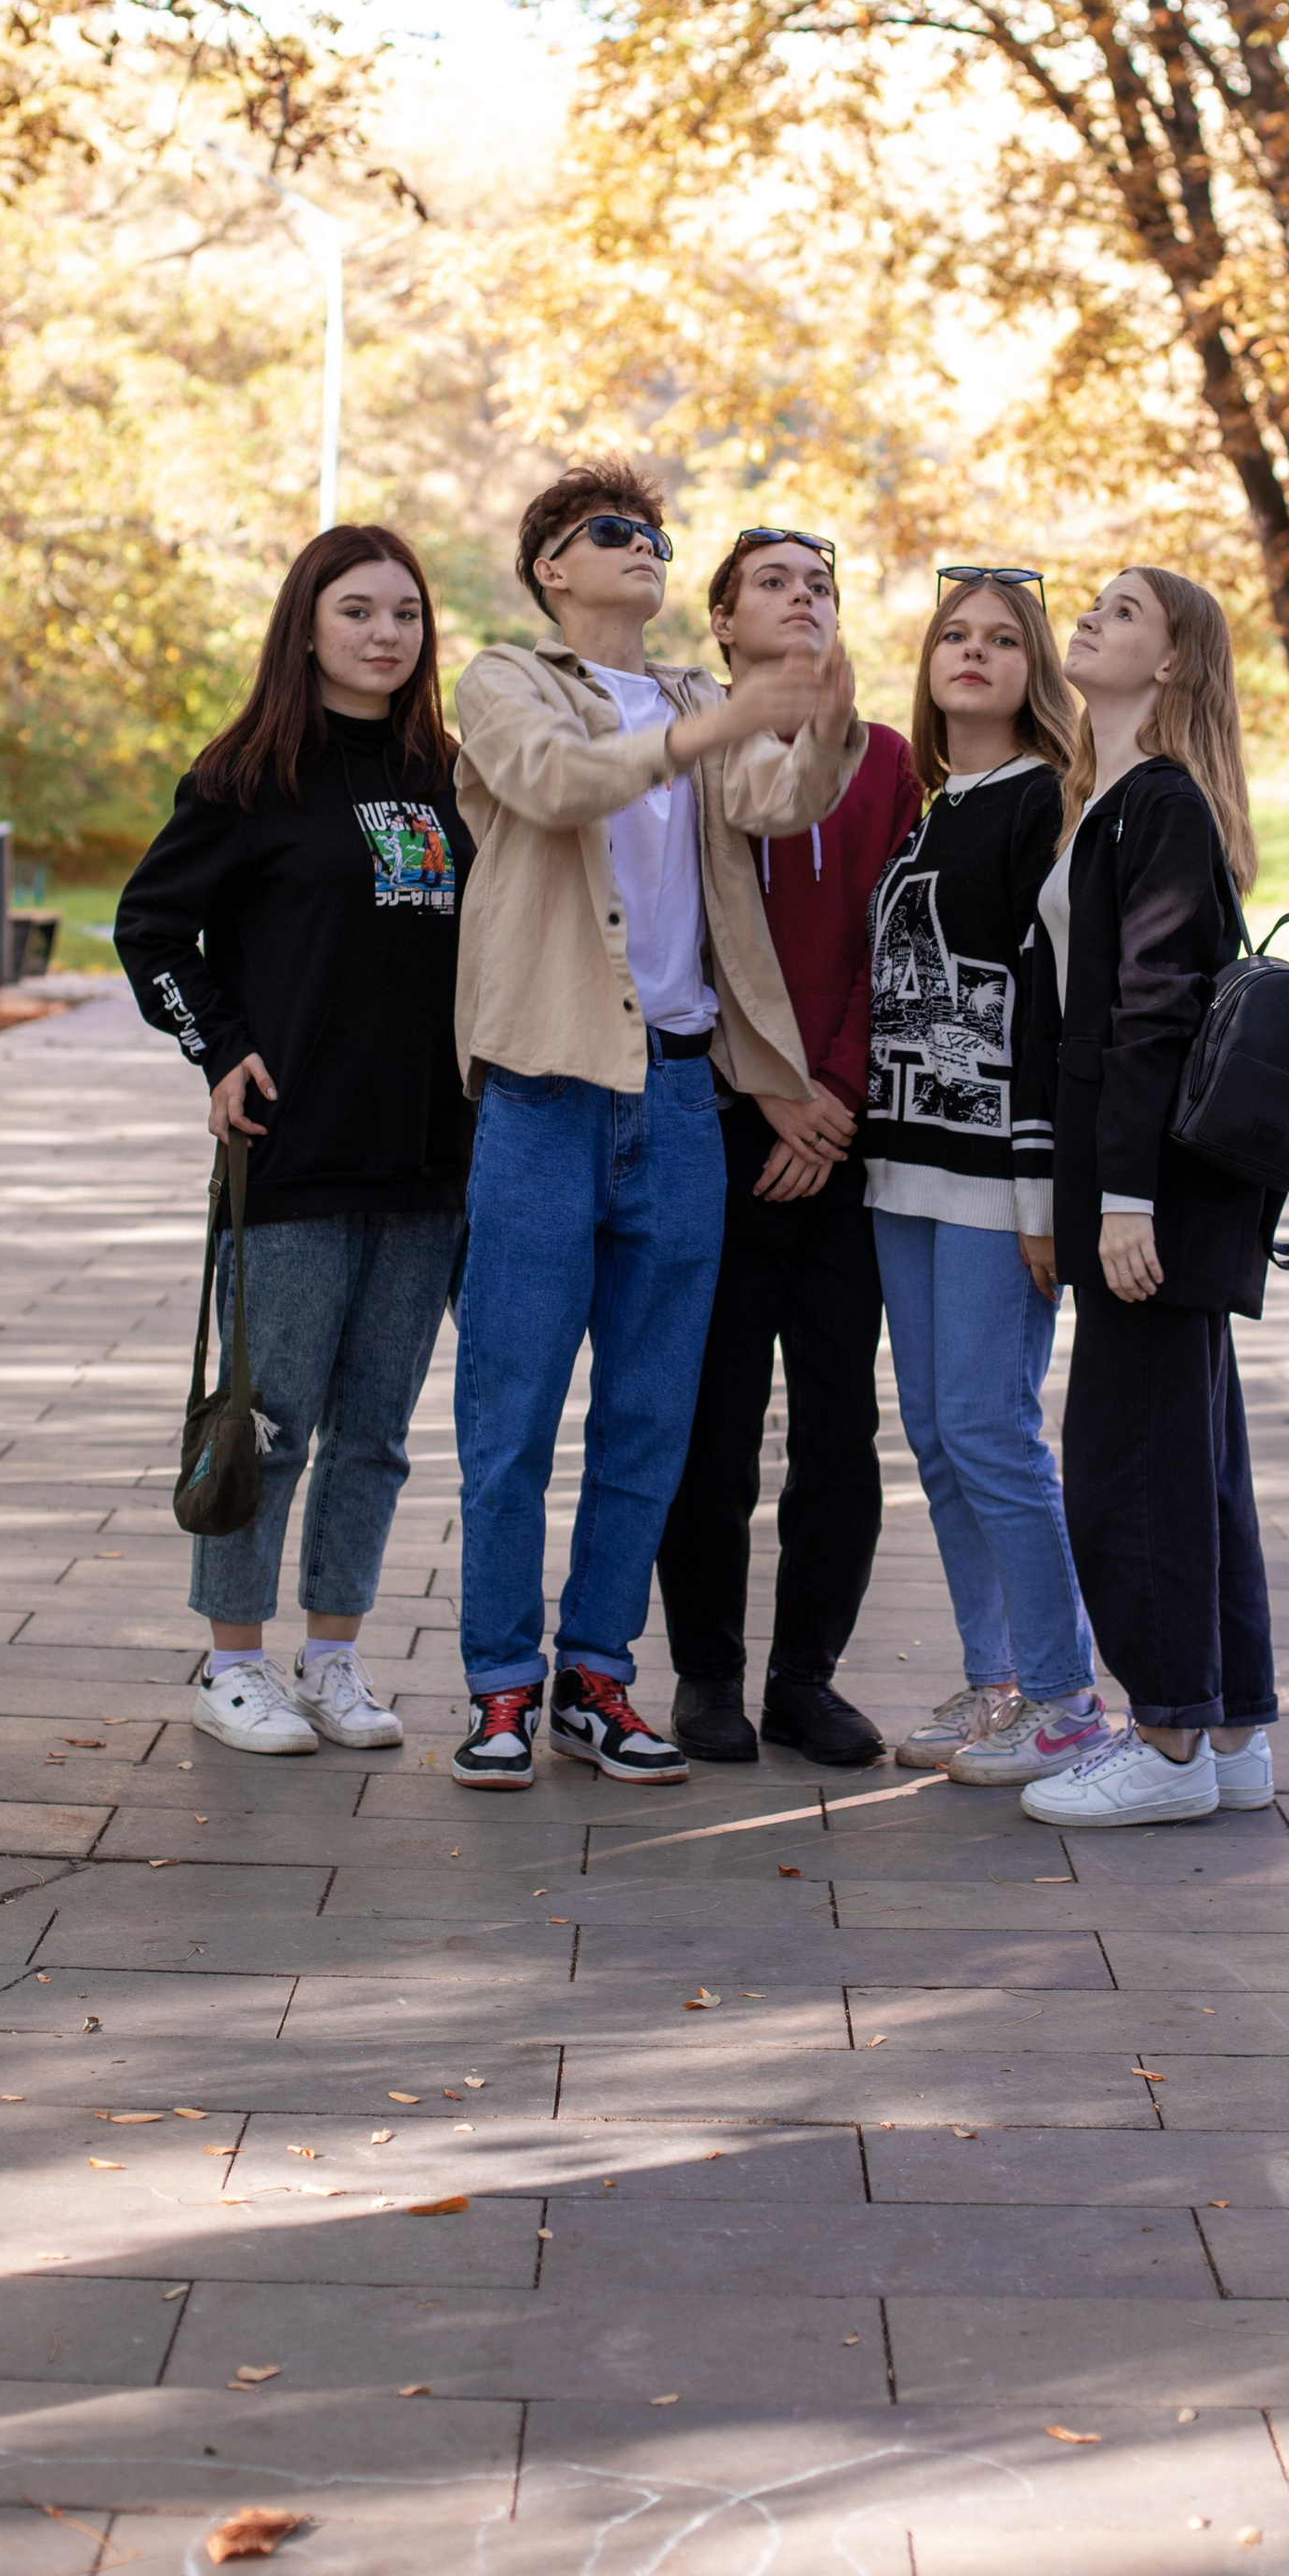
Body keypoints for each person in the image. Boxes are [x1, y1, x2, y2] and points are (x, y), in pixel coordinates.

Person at [448, 461, 863, 1794]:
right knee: (510, 1414)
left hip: (682, 1102)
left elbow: (775, 802)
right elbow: (558, 786)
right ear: (552, 568)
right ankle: (501, 1687)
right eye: (611, 532)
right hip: (543, 1095)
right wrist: (721, 721)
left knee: (650, 1420)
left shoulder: (699, 700)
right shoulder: (506, 682)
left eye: (655, 534)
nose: (643, 547)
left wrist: (820, 696)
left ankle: (598, 1679)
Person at [115, 524, 472, 1757]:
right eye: (359, 612)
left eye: (406, 616)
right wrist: (217, 1049)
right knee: (264, 1423)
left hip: (429, 1159)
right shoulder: (247, 776)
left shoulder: (449, 775)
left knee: (377, 1431)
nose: (385, 635)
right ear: (308, 626)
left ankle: (333, 1655)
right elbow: (150, 930)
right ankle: (231, 1665)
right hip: (294, 1153)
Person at [1014, 565, 1280, 1831]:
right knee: (1195, 1458)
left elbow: (1154, 1014)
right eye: (1099, 603)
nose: (1094, 619)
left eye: (1127, 612)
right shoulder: (1109, 802)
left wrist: (1123, 1202)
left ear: (1171, 664)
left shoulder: (1155, 807)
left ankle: (1167, 1738)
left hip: (1150, 1196)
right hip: (1149, 1190)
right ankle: (1226, 1733)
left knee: (1130, 1466)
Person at [654, 530, 922, 1768]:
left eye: (820, 586)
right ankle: (706, 1678)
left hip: (844, 1143)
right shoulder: (687, 754)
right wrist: (769, 1098)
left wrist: (839, 1100)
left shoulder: (885, 762)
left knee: (836, 1429)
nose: (803, 599)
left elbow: (898, 950)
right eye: (775, 584)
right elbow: (682, 944)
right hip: (723, 1132)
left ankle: (805, 1677)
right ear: (721, 622)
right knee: (712, 1425)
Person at [864, 567, 1108, 1787]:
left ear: (1036, 666)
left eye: (1001, 639)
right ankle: (997, 1676)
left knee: (989, 1426)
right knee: (936, 1431)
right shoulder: (926, 806)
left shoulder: (1043, 807)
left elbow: (1052, 1012)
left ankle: (1067, 1701)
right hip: (903, 1165)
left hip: (994, 1177)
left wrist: (1040, 1190)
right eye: (953, 635)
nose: (973, 653)